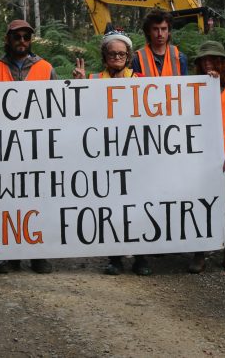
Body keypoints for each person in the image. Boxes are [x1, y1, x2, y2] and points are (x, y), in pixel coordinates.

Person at [72, 31, 151, 276]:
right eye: (112, 53)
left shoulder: (140, 80)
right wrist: (78, 84)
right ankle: (115, 258)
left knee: (140, 205)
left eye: (121, 54)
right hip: (104, 154)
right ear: (105, 56)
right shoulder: (93, 79)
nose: (117, 57)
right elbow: (77, 110)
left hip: (136, 153)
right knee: (111, 207)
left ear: (128, 57)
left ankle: (142, 258)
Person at [0, 19, 57, 274]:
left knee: (38, 200)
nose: (22, 42)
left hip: (37, 147)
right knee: (8, 200)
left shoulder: (46, 68)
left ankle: (38, 253)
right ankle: (10, 254)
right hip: (4, 147)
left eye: (26, 37)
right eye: (16, 37)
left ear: (31, 40)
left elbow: (59, 107)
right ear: (8, 39)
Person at [187, 41, 225, 274]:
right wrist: (206, 85)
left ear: (222, 62)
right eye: (203, 60)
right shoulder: (194, 87)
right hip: (199, 156)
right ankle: (199, 252)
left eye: (212, 59)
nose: (207, 63)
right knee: (199, 202)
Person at [130, 10, 188, 77]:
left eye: (163, 29)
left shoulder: (180, 57)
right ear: (148, 31)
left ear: (169, 31)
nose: (160, 34)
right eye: (155, 29)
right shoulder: (137, 58)